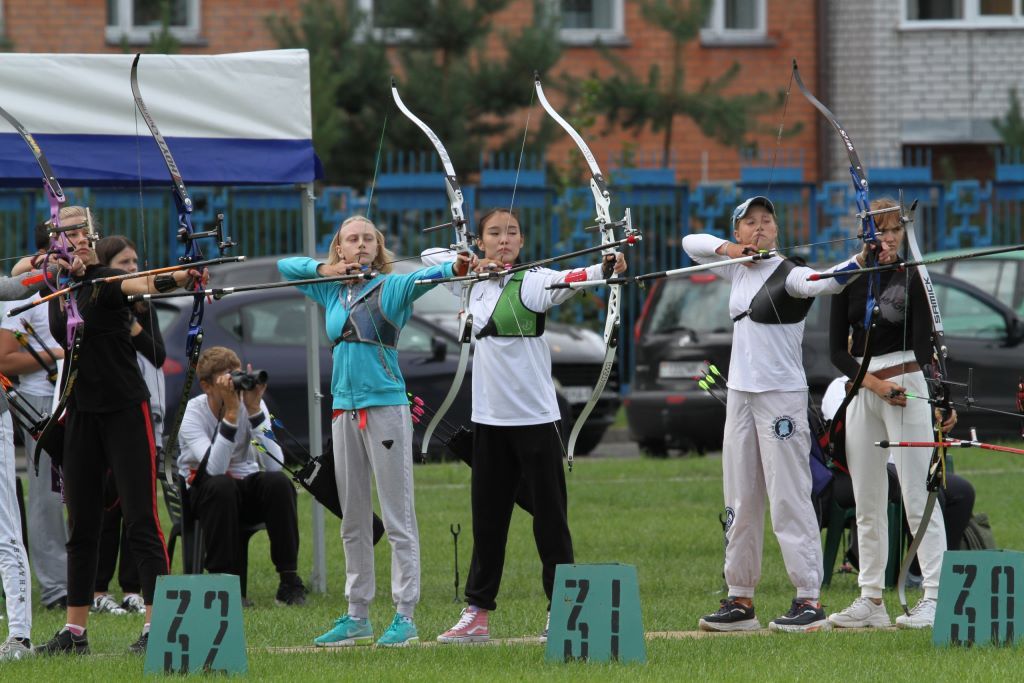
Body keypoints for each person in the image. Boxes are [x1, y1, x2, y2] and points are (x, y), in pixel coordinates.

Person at [425, 208, 627, 644]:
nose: (503, 240)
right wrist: (465, 264)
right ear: (480, 241)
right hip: (489, 423)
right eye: (494, 234)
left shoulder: (534, 282)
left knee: (550, 520)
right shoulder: (471, 283)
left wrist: (605, 264)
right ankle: (477, 612)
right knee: (488, 521)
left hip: (536, 422)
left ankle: (564, 610)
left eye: (511, 233)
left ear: (521, 241)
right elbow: (428, 256)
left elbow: (577, 277)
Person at [279, 215, 469, 648]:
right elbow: (286, 267)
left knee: (398, 516)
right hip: (344, 411)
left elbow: (427, 276)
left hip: (384, 408)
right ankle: (357, 613)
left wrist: (454, 268)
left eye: (368, 239)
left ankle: (405, 615)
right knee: (353, 517)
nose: (361, 245)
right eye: (352, 239)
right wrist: (327, 270)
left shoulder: (391, 287)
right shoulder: (330, 290)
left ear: (379, 247)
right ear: (340, 249)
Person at [684, 196, 862, 633]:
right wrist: (729, 250)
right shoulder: (736, 268)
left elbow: (828, 281)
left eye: (767, 220)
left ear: (777, 230)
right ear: (739, 231)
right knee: (740, 497)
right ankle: (740, 598)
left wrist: (862, 257)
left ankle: (808, 599)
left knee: (788, 496)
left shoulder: (790, 273)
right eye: (750, 222)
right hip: (740, 395)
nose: (760, 228)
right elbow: (691, 243)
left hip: (780, 398)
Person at [34, 206, 203, 656]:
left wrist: (185, 278)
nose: (83, 240)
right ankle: (74, 633)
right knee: (83, 523)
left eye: (86, 233)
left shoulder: (105, 281)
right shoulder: (56, 286)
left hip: (126, 412)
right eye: (70, 235)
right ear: (55, 243)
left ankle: (155, 628)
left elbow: (144, 283)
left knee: (141, 517)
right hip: (81, 415)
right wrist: (47, 267)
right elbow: (17, 273)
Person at [826, 198, 956, 630]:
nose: (886, 239)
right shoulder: (848, 278)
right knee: (867, 497)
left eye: (894, 231)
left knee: (919, 493)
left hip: (907, 387)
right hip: (866, 389)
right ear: (863, 234)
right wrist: (874, 385)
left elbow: (926, 347)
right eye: (878, 231)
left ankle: (936, 595)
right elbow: (836, 353)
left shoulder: (912, 274)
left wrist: (940, 400)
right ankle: (871, 598)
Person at [177, 346, 306, 605]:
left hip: (242, 489)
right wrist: (232, 415)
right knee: (221, 487)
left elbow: (275, 465)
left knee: (278, 484)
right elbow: (213, 470)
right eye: (226, 381)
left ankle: (289, 580)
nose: (233, 388)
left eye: (235, 377)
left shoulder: (249, 403)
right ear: (206, 386)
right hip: (205, 495)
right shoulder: (193, 413)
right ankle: (224, 584)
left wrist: (256, 411)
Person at [85, 235, 167, 615]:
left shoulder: (141, 306)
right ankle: (98, 589)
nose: (133, 269)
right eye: (124, 264)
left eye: (135, 262)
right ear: (105, 266)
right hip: (98, 411)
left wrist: (132, 322)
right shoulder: (93, 296)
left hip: (137, 409)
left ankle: (135, 588)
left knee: (139, 508)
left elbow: (158, 354)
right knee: (104, 504)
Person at [0, 225, 69, 615]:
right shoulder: (27, 286)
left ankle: (85, 586)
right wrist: (60, 353)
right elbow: (14, 288)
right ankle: (55, 588)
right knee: (41, 499)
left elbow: (13, 285)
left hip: (72, 398)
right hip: (38, 400)